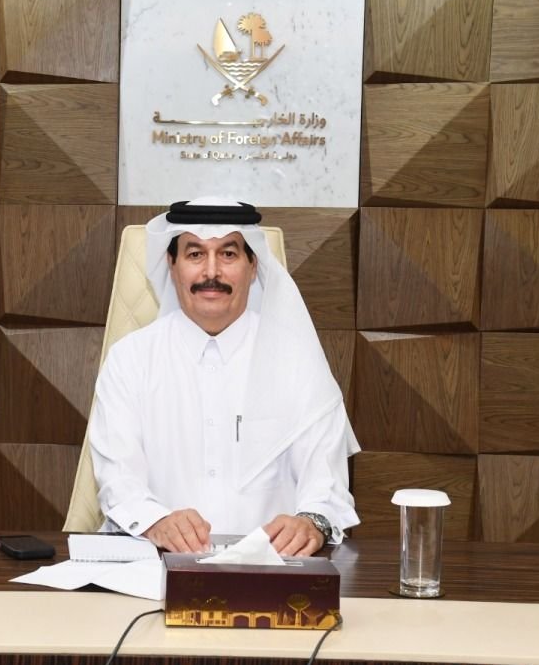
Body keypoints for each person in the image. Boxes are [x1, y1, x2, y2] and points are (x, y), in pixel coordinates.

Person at [88, 197, 359, 557]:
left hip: (270, 570)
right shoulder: (130, 359)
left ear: (253, 266)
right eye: (195, 254)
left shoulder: (297, 359)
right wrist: (156, 521)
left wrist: (311, 522)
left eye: (228, 254)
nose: (211, 272)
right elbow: (118, 480)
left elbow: (326, 484)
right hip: (154, 567)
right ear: (171, 265)